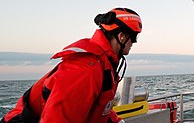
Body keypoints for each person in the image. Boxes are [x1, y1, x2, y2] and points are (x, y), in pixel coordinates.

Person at [1, 7, 143, 123]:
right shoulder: (87, 68)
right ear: (122, 36)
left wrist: (116, 121)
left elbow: (99, 105)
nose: (134, 43)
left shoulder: (104, 64)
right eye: (134, 37)